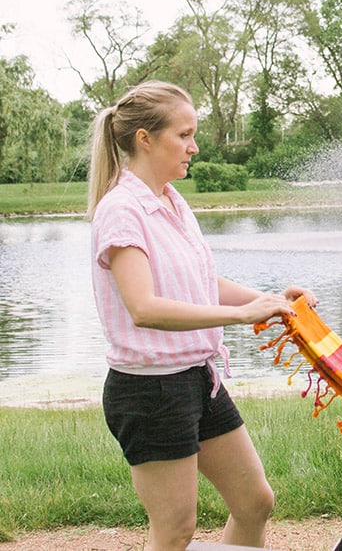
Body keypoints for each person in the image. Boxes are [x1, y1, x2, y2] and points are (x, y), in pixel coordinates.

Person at [87, 81, 317, 551]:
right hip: (150, 390)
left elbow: (200, 283)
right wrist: (242, 317)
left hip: (198, 380)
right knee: (174, 530)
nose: (194, 146)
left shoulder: (172, 200)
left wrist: (272, 301)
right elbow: (144, 308)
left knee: (255, 502)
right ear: (145, 139)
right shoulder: (122, 210)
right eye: (184, 134)